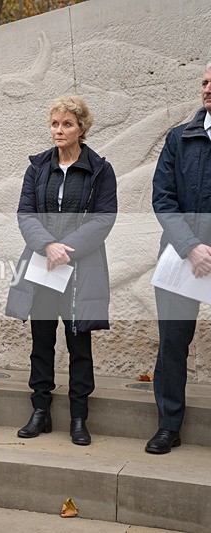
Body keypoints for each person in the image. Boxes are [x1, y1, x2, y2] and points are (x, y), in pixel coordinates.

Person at [6, 96, 117, 446]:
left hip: (79, 269)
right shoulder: (37, 167)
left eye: (67, 124)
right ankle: (40, 411)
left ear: (81, 128)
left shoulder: (100, 169)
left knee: (78, 342)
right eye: (55, 123)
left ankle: (78, 416)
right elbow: (26, 214)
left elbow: (104, 217)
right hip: (42, 267)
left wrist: (66, 249)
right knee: (41, 341)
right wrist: (47, 246)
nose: (59, 130)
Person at [146, 62, 211, 454]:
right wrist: (191, 247)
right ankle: (169, 425)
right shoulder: (179, 138)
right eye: (204, 82)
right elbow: (163, 198)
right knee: (172, 342)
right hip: (181, 259)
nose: (207, 89)